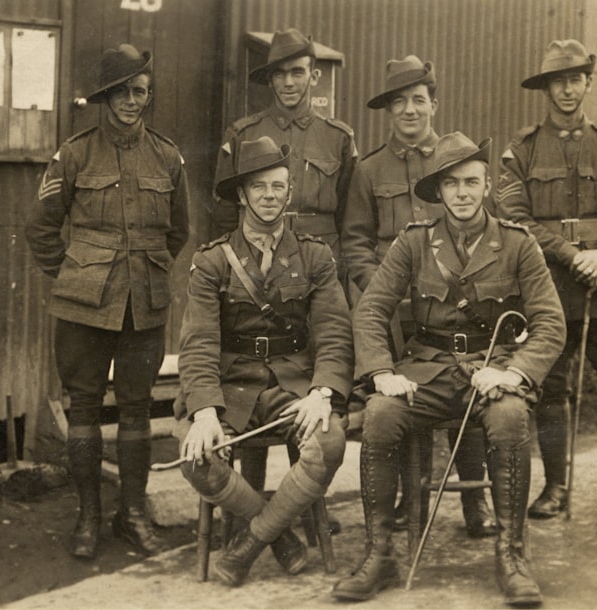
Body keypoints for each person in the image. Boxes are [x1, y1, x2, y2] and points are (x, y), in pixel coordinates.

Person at [333, 133, 565, 607]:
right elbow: (371, 310)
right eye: (452, 183)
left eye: (472, 182)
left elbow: (550, 323)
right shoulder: (413, 243)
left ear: (486, 187)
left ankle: (511, 554)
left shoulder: (518, 244)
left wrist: (514, 374)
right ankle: (379, 555)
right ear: (438, 191)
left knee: (508, 418)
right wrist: (381, 372)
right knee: (379, 416)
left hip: (493, 366)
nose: (462, 192)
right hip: (428, 370)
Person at [25, 44, 189, 558]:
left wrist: (147, 267)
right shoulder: (73, 154)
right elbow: (41, 228)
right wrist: (75, 274)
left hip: (144, 303)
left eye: (139, 91)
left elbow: (179, 231)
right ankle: (88, 517)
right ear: (103, 98)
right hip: (82, 309)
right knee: (84, 411)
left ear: (148, 96)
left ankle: (133, 514)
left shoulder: (167, 156)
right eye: (120, 92)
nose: (130, 101)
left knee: (138, 410)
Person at [174, 136, 352, 586]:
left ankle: (248, 543)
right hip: (231, 386)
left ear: (289, 192)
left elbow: (333, 331)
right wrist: (204, 411)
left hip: (293, 384)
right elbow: (198, 341)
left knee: (329, 442)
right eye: (259, 187)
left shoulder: (314, 256)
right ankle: (281, 537)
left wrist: (322, 391)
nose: (270, 196)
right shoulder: (213, 262)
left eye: (278, 186)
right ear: (241, 195)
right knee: (197, 456)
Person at [496, 40, 597, 536]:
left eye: (576, 78)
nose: (567, 89)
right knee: (551, 389)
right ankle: (555, 487)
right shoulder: (521, 150)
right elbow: (513, 217)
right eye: (557, 81)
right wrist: (570, 255)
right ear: (545, 88)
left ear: (589, 82)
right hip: (548, 290)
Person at [339, 54, 496, 539]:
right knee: (407, 396)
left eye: (419, 100)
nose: (410, 110)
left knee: (466, 389)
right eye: (400, 102)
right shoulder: (368, 170)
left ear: (434, 104)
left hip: (453, 302)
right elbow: (355, 240)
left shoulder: (457, 158)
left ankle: (476, 500)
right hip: (393, 309)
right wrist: (380, 287)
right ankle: (413, 497)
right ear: (389, 110)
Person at [214, 28, 356, 259]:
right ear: (270, 80)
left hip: (321, 262)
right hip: (257, 259)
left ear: (314, 76)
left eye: (297, 72)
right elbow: (225, 214)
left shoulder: (338, 137)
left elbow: (351, 218)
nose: (288, 82)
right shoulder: (241, 134)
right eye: (279, 74)